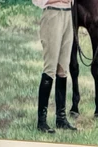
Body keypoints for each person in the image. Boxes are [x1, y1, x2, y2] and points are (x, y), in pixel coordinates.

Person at [33, 0, 77, 133]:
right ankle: (42, 122)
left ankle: (61, 119)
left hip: (68, 15)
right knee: (50, 68)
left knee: (63, 69)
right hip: (52, 15)